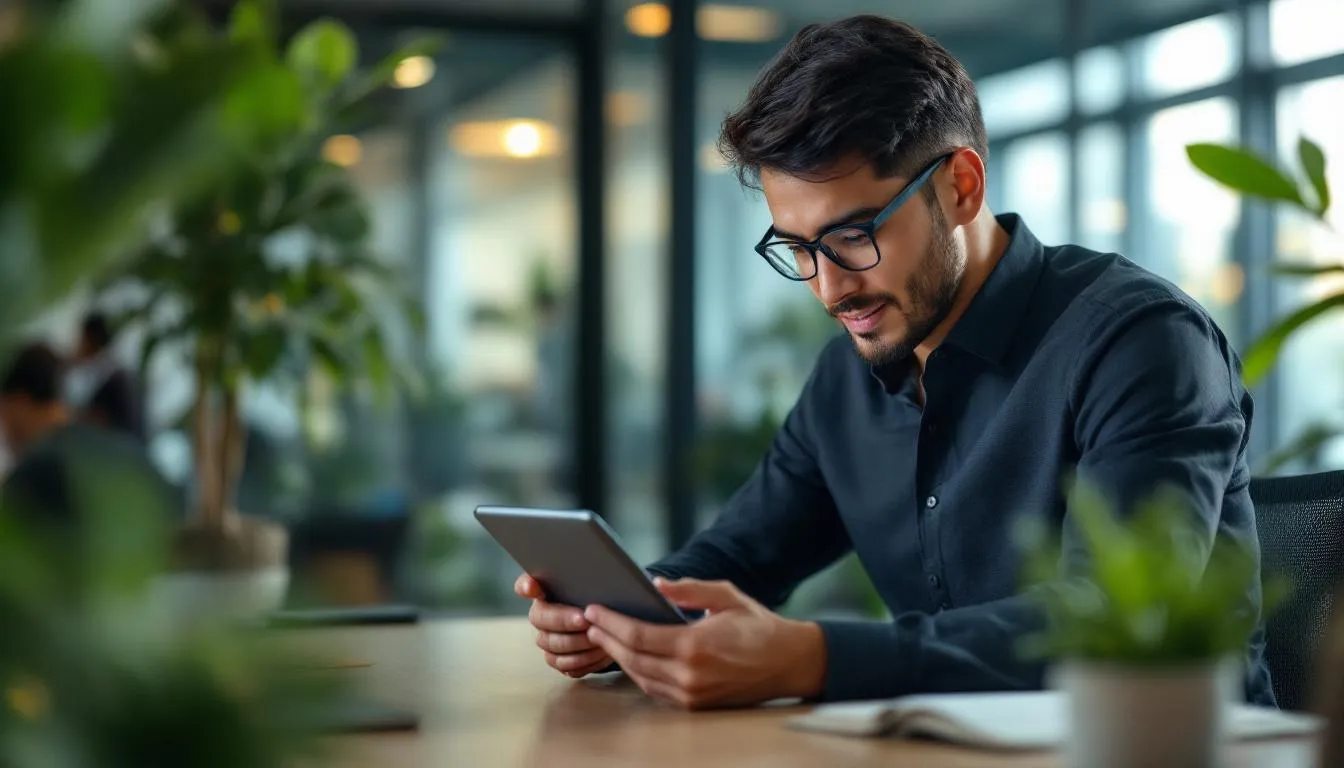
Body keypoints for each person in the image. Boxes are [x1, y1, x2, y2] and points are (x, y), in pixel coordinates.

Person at [516, 14, 1275, 709]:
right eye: (798, 249)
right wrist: (622, 614)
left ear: (961, 187)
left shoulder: (1140, 342)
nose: (829, 286)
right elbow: (740, 553)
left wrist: (814, 658)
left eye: (852, 236)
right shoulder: (849, 373)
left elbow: (1115, 619)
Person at [1, 342, 174, 532]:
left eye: (5, 417)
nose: (6, 435)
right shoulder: (122, 452)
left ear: (19, 402)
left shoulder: (33, 477)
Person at [67, 311, 144, 440]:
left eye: (81, 339)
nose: (77, 344)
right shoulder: (115, 369)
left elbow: (92, 419)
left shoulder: (106, 375)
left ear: (89, 339)